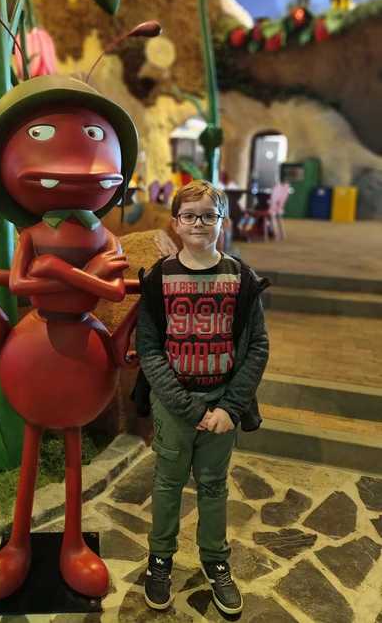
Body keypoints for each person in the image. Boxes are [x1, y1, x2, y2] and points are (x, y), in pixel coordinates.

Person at [134, 179, 270, 615]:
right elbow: (150, 349)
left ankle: (215, 561)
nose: (198, 223)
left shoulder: (240, 278)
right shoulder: (159, 279)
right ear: (175, 222)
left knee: (213, 485)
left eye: (208, 215)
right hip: (176, 405)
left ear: (222, 221)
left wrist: (230, 408)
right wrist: (188, 407)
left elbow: (257, 346)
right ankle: (160, 560)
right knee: (167, 482)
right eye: (189, 215)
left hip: (223, 405)